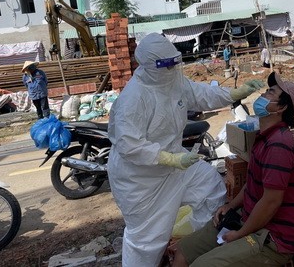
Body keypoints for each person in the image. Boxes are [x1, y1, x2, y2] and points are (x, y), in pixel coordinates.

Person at [107, 33, 264, 267]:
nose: (171, 68)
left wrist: (235, 94)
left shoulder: (173, 81)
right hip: (140, 178)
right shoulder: (134, 98)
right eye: (165, 64)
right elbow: (130, 145)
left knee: (210, 186)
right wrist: (169, 159)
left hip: (173, 164)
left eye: (174, 62)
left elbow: (202, 95)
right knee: (147, 240)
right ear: (149, 66)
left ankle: (194, 245)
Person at [172, 72, 294, 267]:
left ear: (281, 107)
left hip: (272, 239)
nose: (262, 95)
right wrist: (230, 206)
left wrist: (240, 234)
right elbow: (253, 184)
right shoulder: (263, 137)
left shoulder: (279, 144)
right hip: (247, 220)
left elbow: (271, 201)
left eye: (270, 93)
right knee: (182, 251)